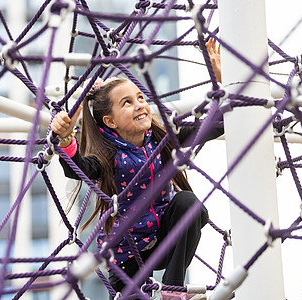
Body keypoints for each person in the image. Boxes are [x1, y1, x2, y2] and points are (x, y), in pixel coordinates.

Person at [50, 40, 222, 300]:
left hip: (161, 241)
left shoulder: (162, 140)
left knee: (191, 205)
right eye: (127, 103)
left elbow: (212, 126)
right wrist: (65, 136)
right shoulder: (110, 155)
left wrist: (219, 83)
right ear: (110, 121)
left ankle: (172, 290)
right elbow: (79, 169)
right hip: (127, 259)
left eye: (140, 97)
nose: (140, 104)